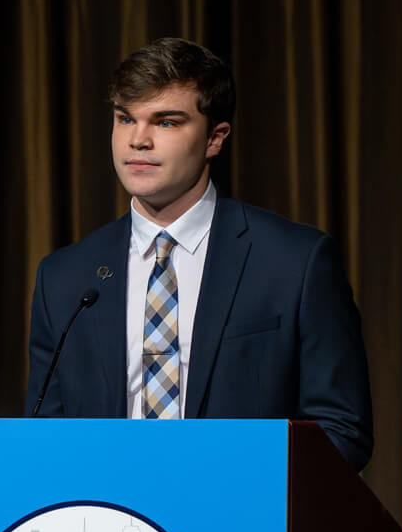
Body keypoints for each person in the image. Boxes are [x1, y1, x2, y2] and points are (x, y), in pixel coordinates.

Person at [26, 37, 374, 471]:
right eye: (124, 119)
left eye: (166, 122)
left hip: (241, 526)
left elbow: (342, 429)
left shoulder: (295, 263)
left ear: (215, 137)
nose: (138, 140)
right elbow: (43, 437)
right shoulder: (65, 277)